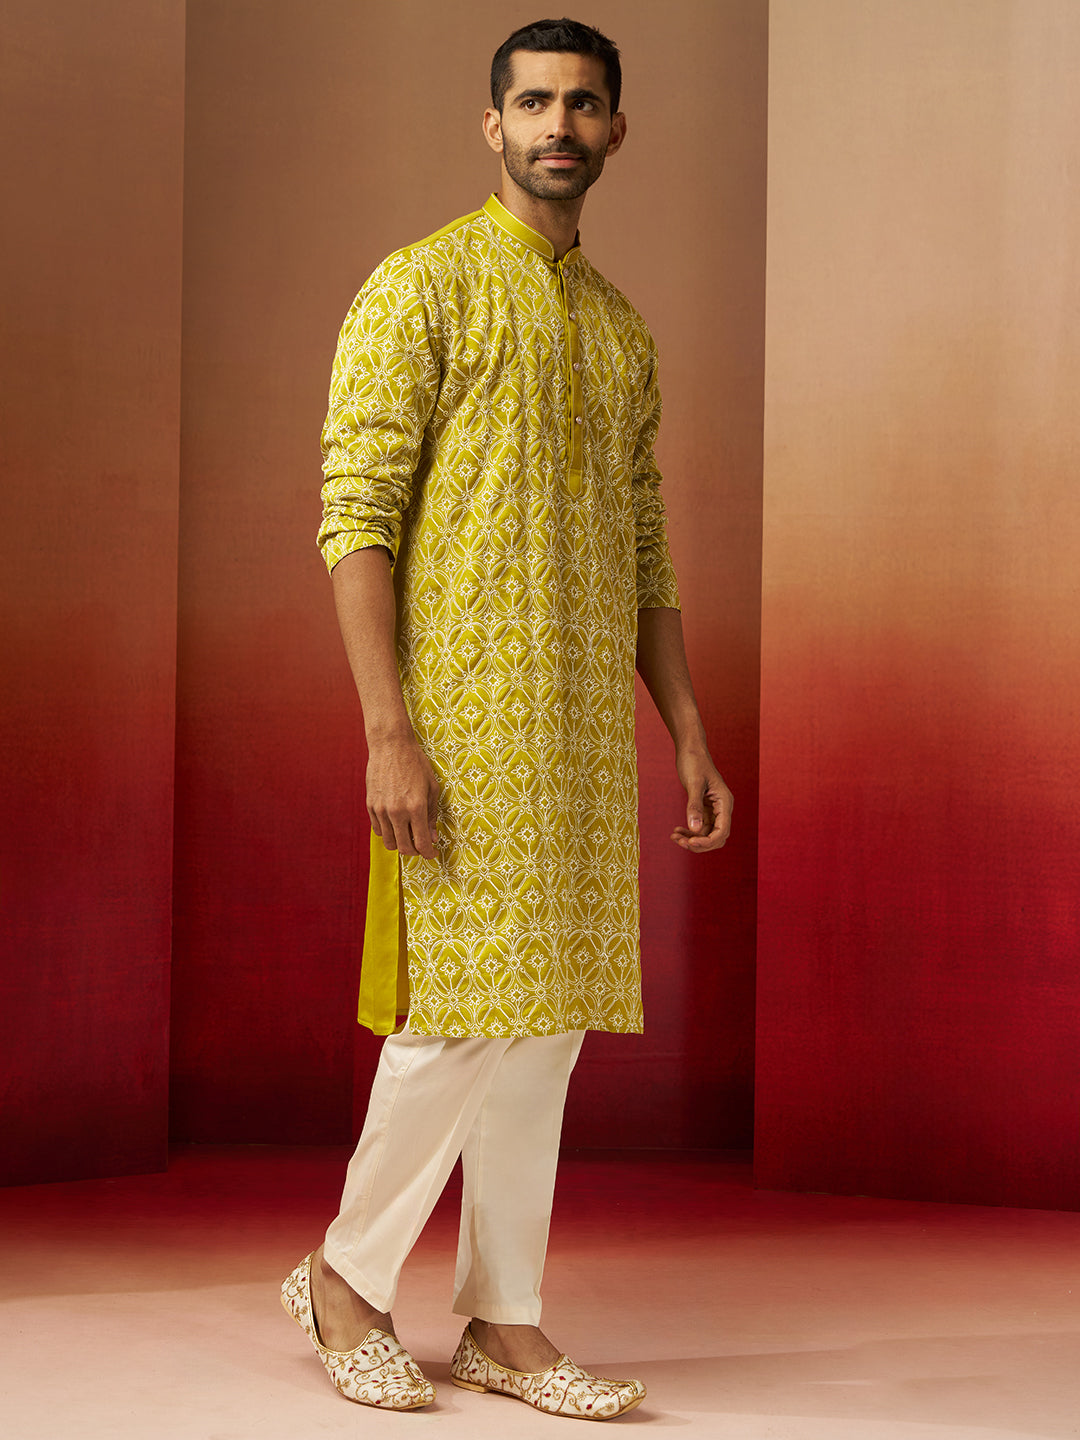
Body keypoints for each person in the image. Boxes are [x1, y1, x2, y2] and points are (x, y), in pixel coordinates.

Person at [281, 16, 733, 1421]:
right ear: (494, 126)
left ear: (615, 130)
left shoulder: (620, 330)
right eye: (533, 102)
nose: (558, 125)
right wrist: (388, 731)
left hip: (583, 734)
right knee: (460, 1018)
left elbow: (645, 550)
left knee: (550, 1029)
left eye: (582, 105)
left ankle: (503, 1315)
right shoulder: (419, 286)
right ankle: (345, 1278)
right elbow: (354, 518)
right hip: (461, 725)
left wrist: (688, 731)